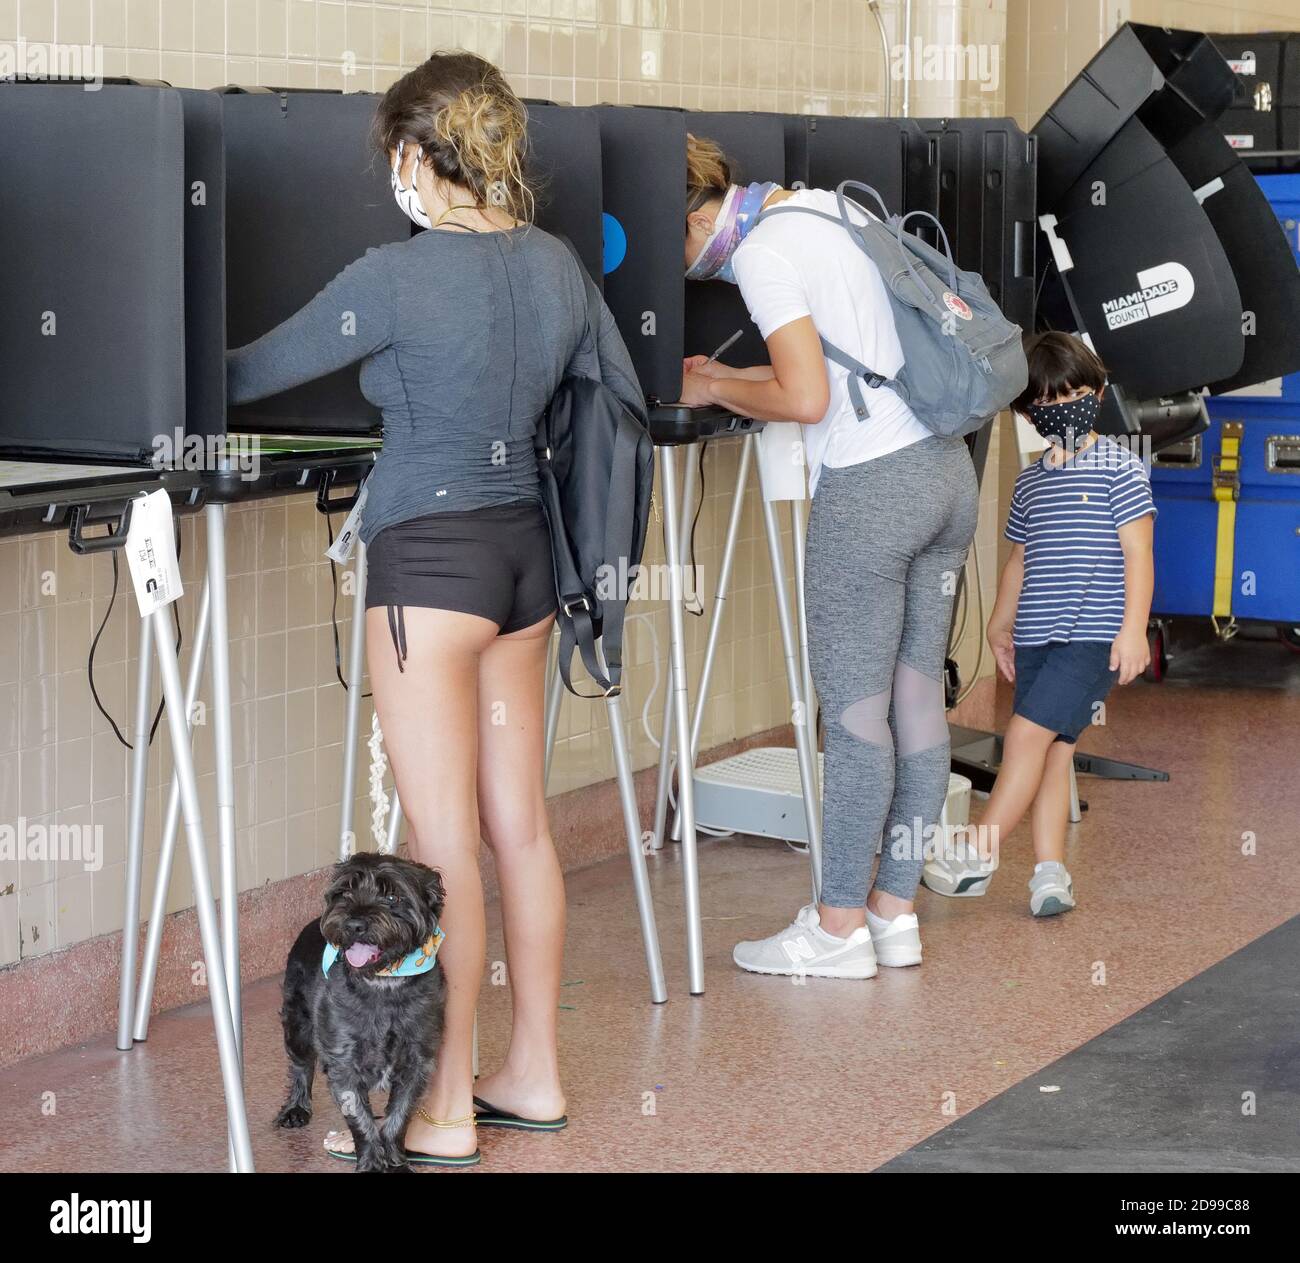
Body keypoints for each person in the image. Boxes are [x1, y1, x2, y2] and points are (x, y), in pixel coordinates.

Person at [226, 52, 643, 1164]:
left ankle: (447, 1101)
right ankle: (534, 1077)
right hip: (525, 567)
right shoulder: (557, 267)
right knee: (520, 829)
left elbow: (244, 371)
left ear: (413, 157)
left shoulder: (396, 276)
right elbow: (619, 399)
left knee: (439, 841)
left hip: (430, 570)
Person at [677, 135, 978, 979]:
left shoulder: (766, 253)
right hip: (949, 474)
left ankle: (838, 925)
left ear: (697, 217)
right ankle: (895, 911)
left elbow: (805, 396)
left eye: (680, 246)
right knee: (919, 708)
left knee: (854, 720)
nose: (691, 269)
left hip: (875, 491)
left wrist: (712, 383)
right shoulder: (831, 204)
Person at [923, 331, 1156, 915]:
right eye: (1046, 405)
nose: (1061, 410)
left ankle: (979, 850)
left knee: (1026, 736)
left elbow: (1139, 554)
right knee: (1051, 752)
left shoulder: (1119, 468)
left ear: (1097, 392)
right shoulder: (1031, 480)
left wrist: (1134, 630)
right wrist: (1000, 627)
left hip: (1090, 638)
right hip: (1035, 639)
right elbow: (1021, 559)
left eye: (1073, 395)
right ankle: (1051, 875)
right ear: (1028, 412)